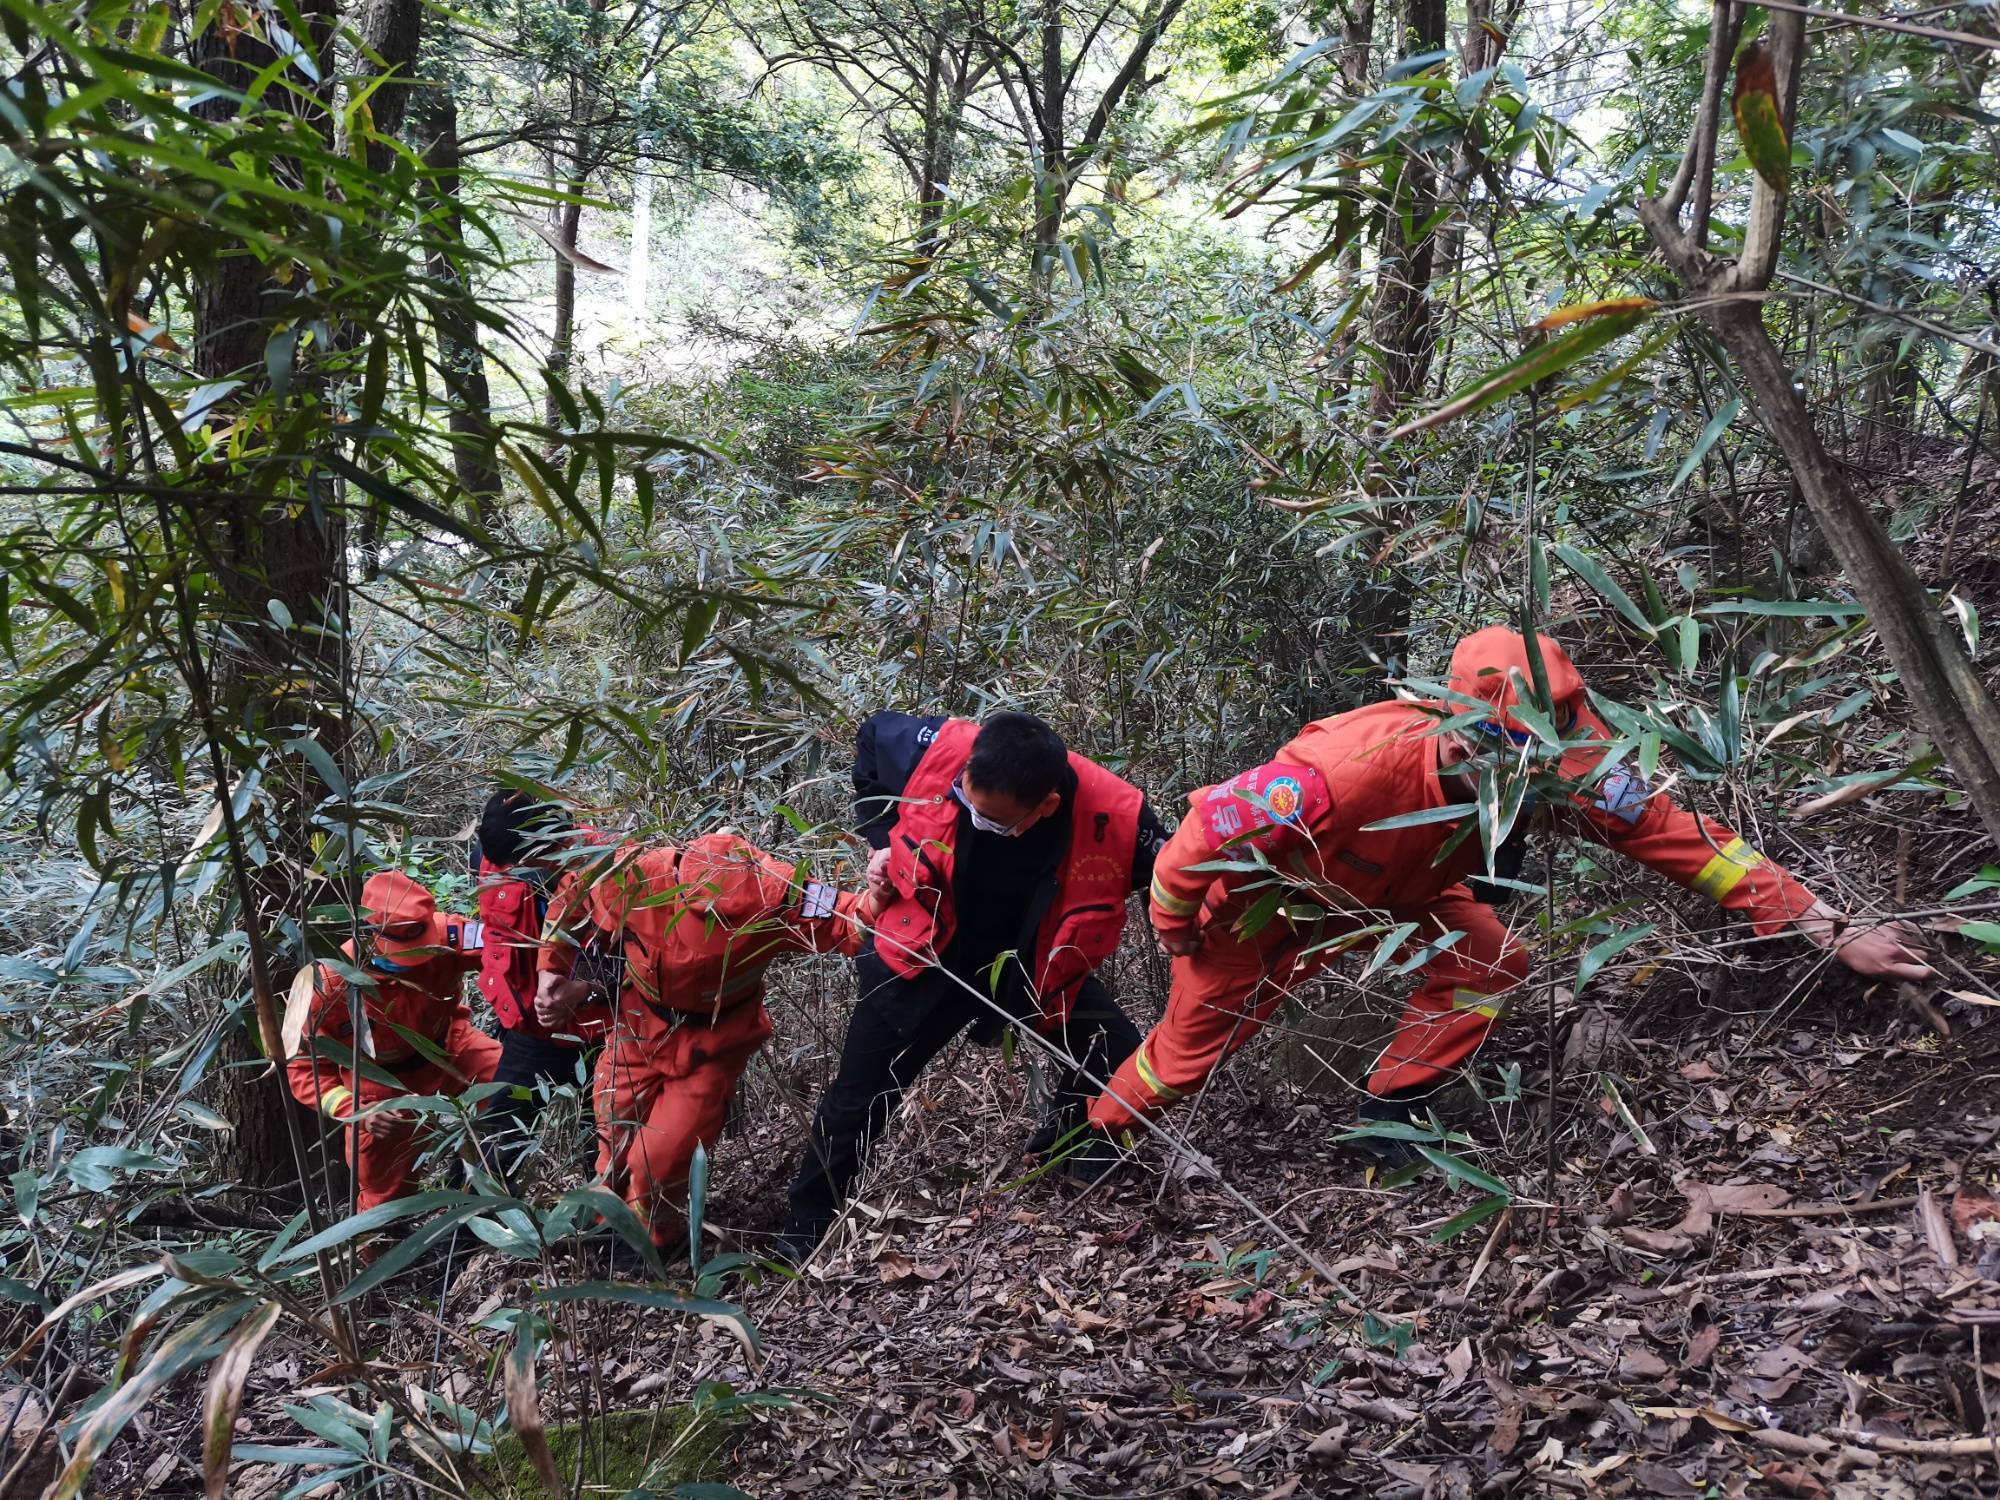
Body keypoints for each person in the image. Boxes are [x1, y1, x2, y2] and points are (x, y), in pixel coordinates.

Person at [1088, 626, 1932, 1164]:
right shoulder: (1347, 769)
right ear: (1461, 724)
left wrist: (1825, 923)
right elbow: (1199, 841)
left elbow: (1683, 838)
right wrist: (1174, 930)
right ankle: (1097, 1139)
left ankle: (1391, 1114)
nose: (1535, 778)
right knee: (1187, 1057)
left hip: (1401, 895)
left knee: (1492, 957)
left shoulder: (1569, 759)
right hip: (1263, 911)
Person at [775, 710, 1172, 1265]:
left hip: (1029, 965)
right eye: (966, 803)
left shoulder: (1116, 814)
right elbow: (869, 745)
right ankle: (805, 1228)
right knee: (859, 1097)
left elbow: (1174, 871)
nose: (974, 819)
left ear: (1046, 808)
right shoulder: (937, 749)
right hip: (923, 954)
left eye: (995, 821)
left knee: (1115, 1050)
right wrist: (881, 840)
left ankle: (1069, 1146)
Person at [535, 834, 874, 1253]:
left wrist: (881, 891)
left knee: (660, 1157)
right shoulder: (637, 876)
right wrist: (550, 967)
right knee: (614, 1131)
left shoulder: (779, 893)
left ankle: (652, 1241)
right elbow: (575, 890)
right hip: (637, 1028)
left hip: (713, 1046)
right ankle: (606, 1224)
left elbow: (850, 918)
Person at [286, 871, 502, 1212]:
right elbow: (303, 1069)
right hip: (380, 1085)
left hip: (451, 1048)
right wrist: (357, 1110)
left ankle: (483, 1190)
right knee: (385, 1193)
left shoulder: (449, 934)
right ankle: (383, 1253)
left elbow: (508, 946)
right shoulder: (328, 987)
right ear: (368, 936)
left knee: (507, 1086)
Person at [470, 789, 608, 1178]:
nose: (515, 870)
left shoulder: (609, 866)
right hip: (529, 1029)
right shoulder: (495, 856)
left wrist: (586, 988)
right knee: (497, 1139)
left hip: (600, 1030)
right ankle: (469, 1235)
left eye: (527, 862)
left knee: (604, 1143)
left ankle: (604, 1231)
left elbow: (645, 959)